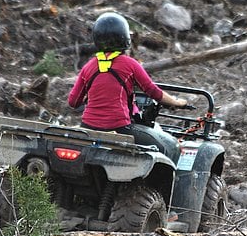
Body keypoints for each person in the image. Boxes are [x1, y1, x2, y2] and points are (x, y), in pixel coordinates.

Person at [67, 12, 187, 158]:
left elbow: (73, 102)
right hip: (119, 129)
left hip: (88, 128)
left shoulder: (88, 67)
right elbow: (153, 91)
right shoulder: (130, 65)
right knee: (167, 149)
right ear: (125, 38)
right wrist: (176, 102)